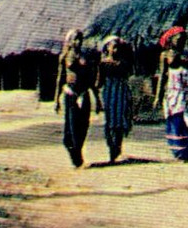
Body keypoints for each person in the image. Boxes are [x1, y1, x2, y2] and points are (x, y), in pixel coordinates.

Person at [153, 26, 188, 161]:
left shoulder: (186, 54)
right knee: (177, 119)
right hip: (174, 91)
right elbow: (162, 76)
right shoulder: (165, 55)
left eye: (183, 38)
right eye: (179, 38)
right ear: (172, 39)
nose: (182, 40)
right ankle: (180, 153)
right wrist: (158, 97)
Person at [55, 29, 100, 168]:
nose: (78, 42)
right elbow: (60, 78)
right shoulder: (65, 57)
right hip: (71, 94)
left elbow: (91, 80)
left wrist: (97, 100)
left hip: (84, 94)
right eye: (75, 39)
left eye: (80, 39)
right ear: (70, 41)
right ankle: (76, 158)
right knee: (72, 127)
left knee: (83, 126)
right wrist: (56, 99)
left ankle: (78, 154)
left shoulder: (85, 57)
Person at [98, 34, 135, 163]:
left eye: (117, 47)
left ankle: (117, 148)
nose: (115, 50)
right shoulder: (103, 63)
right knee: (109, 121)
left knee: (119, 120)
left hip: (120, 92)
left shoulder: (123, 63)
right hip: (109, 92)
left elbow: (128, 73)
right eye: (113, 47)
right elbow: (99, 81)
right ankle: (111, 149)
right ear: (107, 48)